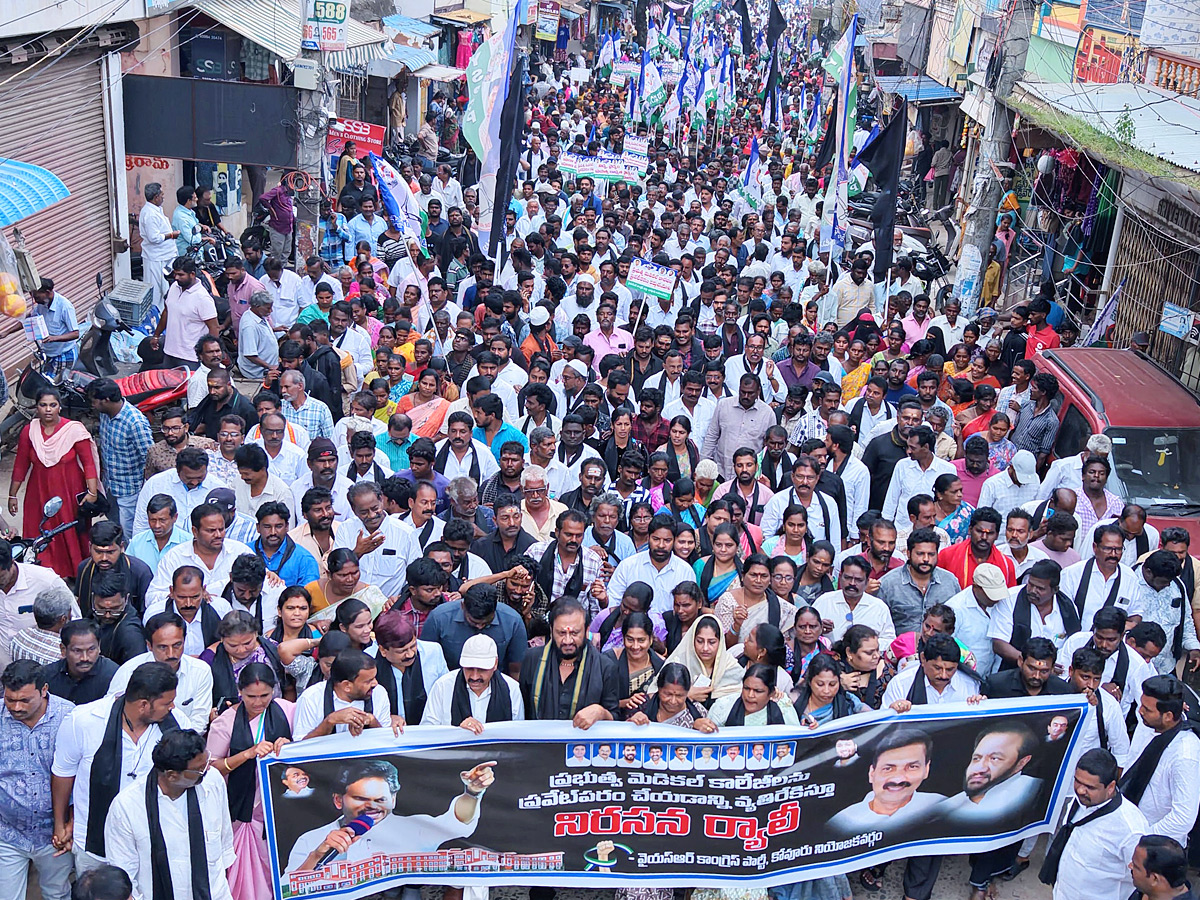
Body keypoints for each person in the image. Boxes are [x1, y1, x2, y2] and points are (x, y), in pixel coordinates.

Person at [51, 662, 181, 873]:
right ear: (143, 705)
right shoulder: (84, 720)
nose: (172, 708)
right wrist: (61, 823)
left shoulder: (177, 725)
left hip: (153, 841)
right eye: (167, 703)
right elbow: (63, 774)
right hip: (95, 841)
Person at [283, 754, 496, 873]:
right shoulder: (311, 840)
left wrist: (472, 792)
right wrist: (318, 855)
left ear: (393, 800)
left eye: (380, 800)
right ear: (338, 800)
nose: (371, 807)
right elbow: (289, 888)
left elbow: (457, 822)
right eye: (360, 799)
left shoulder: (414, 829)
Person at [104, 728, 236, 900]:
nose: (207, 771)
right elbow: (123, 872)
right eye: (199, 770)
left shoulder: (213, 781)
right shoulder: (127, 806)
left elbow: (224, 840)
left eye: (206, 763)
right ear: (172, 776)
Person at [205, 663, 294, 900]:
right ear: (239, 692)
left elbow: (309, 746)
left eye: (264, 695)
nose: (258, 702)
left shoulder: (287, 710)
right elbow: (210, 768)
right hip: (241, 809)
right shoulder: (226, 722)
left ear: (274, 690)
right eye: (251, 696)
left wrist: (290, 748)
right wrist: (247, 754)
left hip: (279, 807)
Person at [0, 659, 75, 900]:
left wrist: (69, 824)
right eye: (10, 700)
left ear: (44, 690)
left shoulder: (70, 717)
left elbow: (81, 777)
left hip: (54, 835)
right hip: (8, 833)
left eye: (24, 700)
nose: (16, 707)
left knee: (57, 894)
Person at [9, 387, 100, 578]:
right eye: (43, 405)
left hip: (69, 492)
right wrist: (12, 495)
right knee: (41, 533)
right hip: (39, 493)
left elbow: (89, 464)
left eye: (53, 405)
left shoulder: (73, 430)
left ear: (59, 407)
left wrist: (92, 493)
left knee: (71, 533)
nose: (48, 409)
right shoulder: (29, 431)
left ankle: (77, 574)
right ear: (36, 407)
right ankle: (43, 575)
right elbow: (20, 465)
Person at [1040, 748, 1146, 900]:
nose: (1080, 790)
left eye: (1090, 787)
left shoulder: (1130, 829)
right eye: (1077, 781)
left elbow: (1145, 882)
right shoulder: (1079, 802)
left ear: (1110, 787)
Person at [1120, 674, 1200, 844]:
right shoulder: (1148, 724)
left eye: (1147, 709)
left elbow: (1183, 818)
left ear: (1168, 716)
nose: (1140, 711)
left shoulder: (1185, 753)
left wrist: (1143, 838)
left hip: (1155, 847)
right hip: (1128, 830)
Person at [107, 612, 214, 733]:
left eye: (177, 645)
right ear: (149, 646)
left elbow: (199, 722)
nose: (171, 654)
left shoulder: (200, 671)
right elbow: (111, 712)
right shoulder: (129, 671)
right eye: (163, 647)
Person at [518, 598, 619, 726]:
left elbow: (615, 719)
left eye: (574, 633)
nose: (567, 641)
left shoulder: (604, 667)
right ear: (551, 629)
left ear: (587, 630)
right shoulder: (532, 659)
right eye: (561, 633)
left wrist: (601, 712)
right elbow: (523, 711)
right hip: (539, 743)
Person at [87, 378, 154, 538]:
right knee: (115, 530)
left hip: (129, 492)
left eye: (94, 401)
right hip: (110, 486)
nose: (92, 405)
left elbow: (150, 457)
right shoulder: (105, 414)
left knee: (130, 535)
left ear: (106, 400)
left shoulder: (135, 422)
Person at [420, 633, 526, 728]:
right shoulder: (443, 686)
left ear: (495, 664)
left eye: (482, 670)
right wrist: (457, 731)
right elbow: (428, 731)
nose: (474, 677)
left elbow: (517, 732)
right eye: (469, 668)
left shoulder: (511, 689)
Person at [708, 663, 800, 726]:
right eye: (746, 688)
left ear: (771, 693)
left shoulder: (783, 707)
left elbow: (796, 737)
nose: (750, 695)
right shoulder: (723, 706)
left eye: (758, 691)